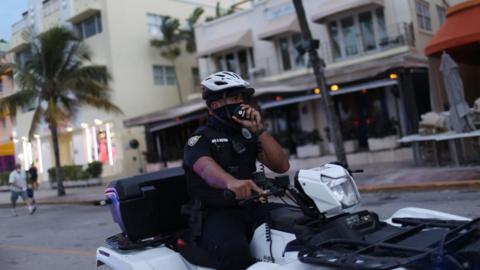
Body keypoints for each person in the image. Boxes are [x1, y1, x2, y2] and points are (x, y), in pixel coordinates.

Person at [183, 71, 290, 269]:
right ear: (215, 104)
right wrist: (230, 182)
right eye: (233, 98)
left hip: (253, 206)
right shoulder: (200, 139)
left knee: (299, 225)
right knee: (234, 252)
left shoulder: (247, 134)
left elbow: (281, 165)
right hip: (218, 213)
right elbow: (205, 167)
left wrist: (259, 130)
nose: (241, 103)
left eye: (242, 98)